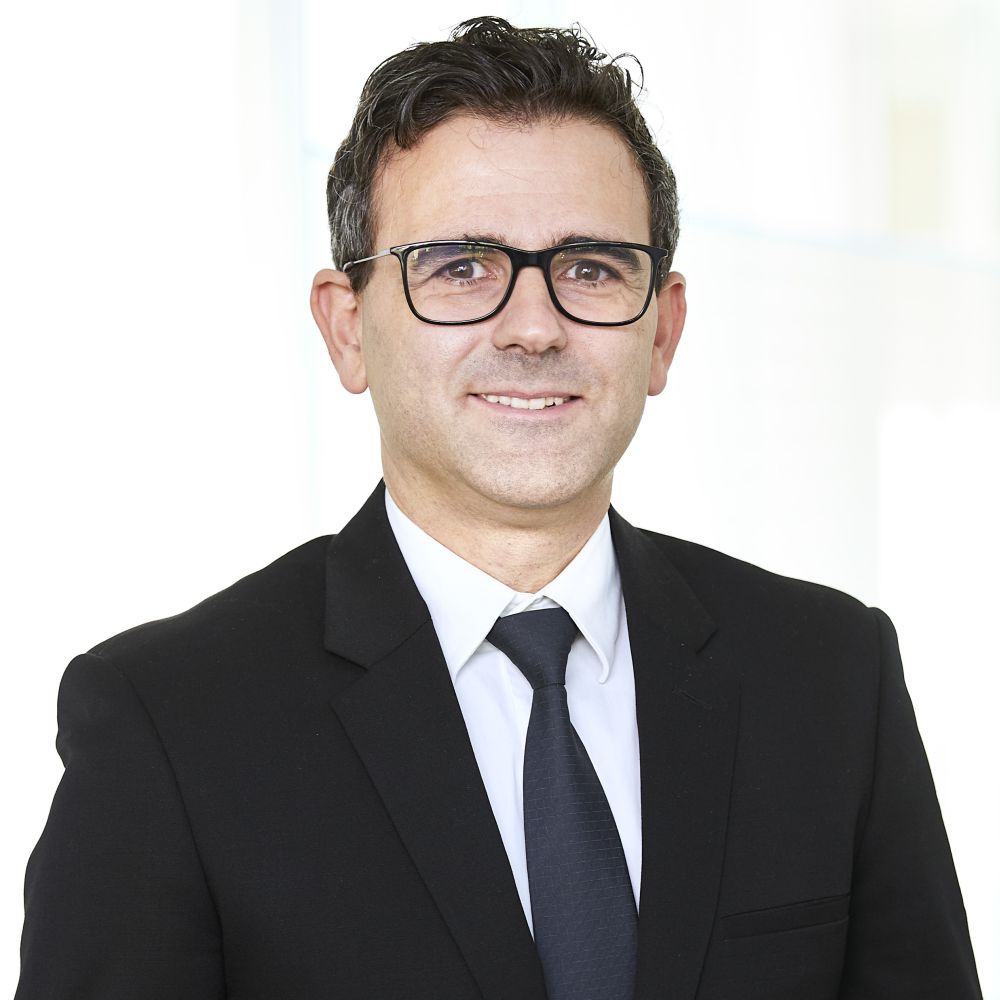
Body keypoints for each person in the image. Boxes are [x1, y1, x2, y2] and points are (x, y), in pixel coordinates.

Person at [16, 16, 982, 1000]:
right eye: (460, 267)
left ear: (662, 332)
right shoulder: (169, 721)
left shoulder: (830, 678)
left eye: (591, 268)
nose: (533, 327)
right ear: (347, 329)